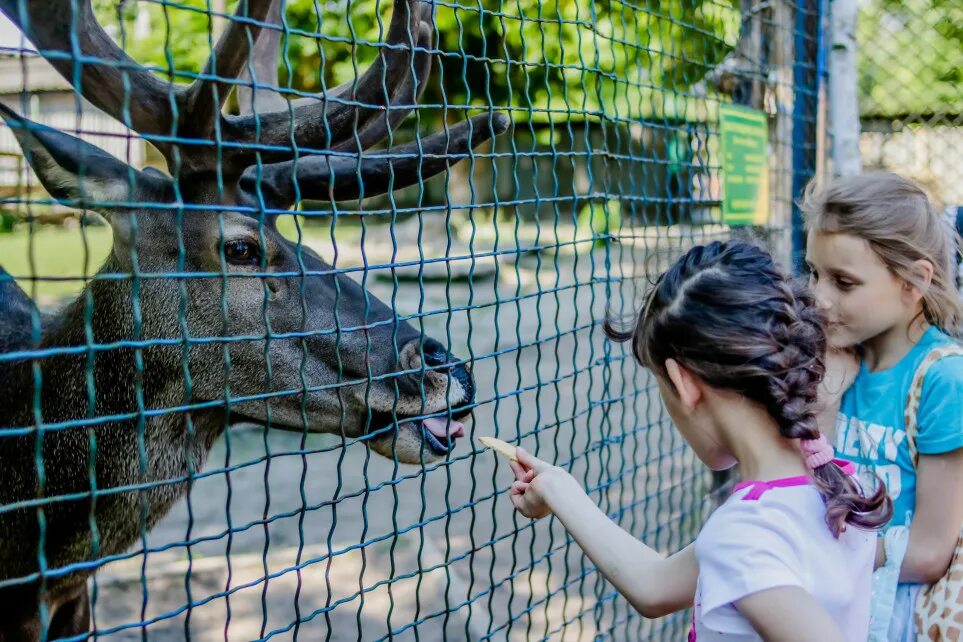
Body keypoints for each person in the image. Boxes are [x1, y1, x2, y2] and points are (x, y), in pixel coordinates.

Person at [506, 240, 891, 640]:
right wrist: (557, 489)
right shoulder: (836, 486)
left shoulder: (745, 533)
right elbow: (653, 587)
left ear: (682, 383)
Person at [803, 172, 963, 640]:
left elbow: (932, 550)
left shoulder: (942, 381)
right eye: (814, 273)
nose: (818, 298)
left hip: (899, 613)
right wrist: (825, 397)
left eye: (844, 282)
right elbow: (813, 485)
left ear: (914, 280)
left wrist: (815, 550)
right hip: (831, 603)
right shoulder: (834, 361)